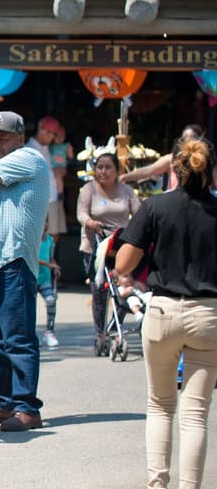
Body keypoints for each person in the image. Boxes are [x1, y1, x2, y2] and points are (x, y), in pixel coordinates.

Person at [115, 136, 217, 489]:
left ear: (175, 169)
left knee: (160, 406)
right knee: (196, 417)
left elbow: (124, 262)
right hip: (209, 314)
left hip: (162, 312)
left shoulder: (156, 206)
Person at [0, 110, 51, 433]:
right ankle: (3, 402)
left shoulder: (29, 158)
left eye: (3, 137)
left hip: (12, 262)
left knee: (18, 339)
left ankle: (27, 407)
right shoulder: (2, 172)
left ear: (19, 138)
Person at [76, 151, 140, 352]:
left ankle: (115, 326)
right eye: (99, 167)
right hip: (96, 245)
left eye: (108, 167)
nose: (102, 171)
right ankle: (100, 333)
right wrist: (90, 222)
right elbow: (81, 213)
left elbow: (139, 214)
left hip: (121, 244)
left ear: (117, 171)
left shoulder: (127, 191)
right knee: (100, 289)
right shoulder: (88, 189)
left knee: (120, 287)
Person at [121, 124, 205, 190]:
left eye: (191, 138)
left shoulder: (207, 161)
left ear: (200, 140)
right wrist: (123, 177)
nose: (187, 141)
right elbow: (149, 170)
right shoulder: (171, 159)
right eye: (184, 138)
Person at [26, 117, 63, 248]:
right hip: (38, 200)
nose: (53, 137)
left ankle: (50, 264)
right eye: (52, 134)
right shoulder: (28, 150)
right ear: (43, 131)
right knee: (39, 235)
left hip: (53, 197)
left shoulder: (49, 148)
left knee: (54, 235)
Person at [36, 225, 61, 350]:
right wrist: (48, 264)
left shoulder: (50, 240)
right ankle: (31, 334)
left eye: (46, 222)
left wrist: (55, 267)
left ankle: (49, 331)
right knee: (29, 307)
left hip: (45, 278)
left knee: (51, 300)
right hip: (32, 277)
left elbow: (51, 258)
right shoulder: (33, 239)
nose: (44, 225)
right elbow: (33, 258)